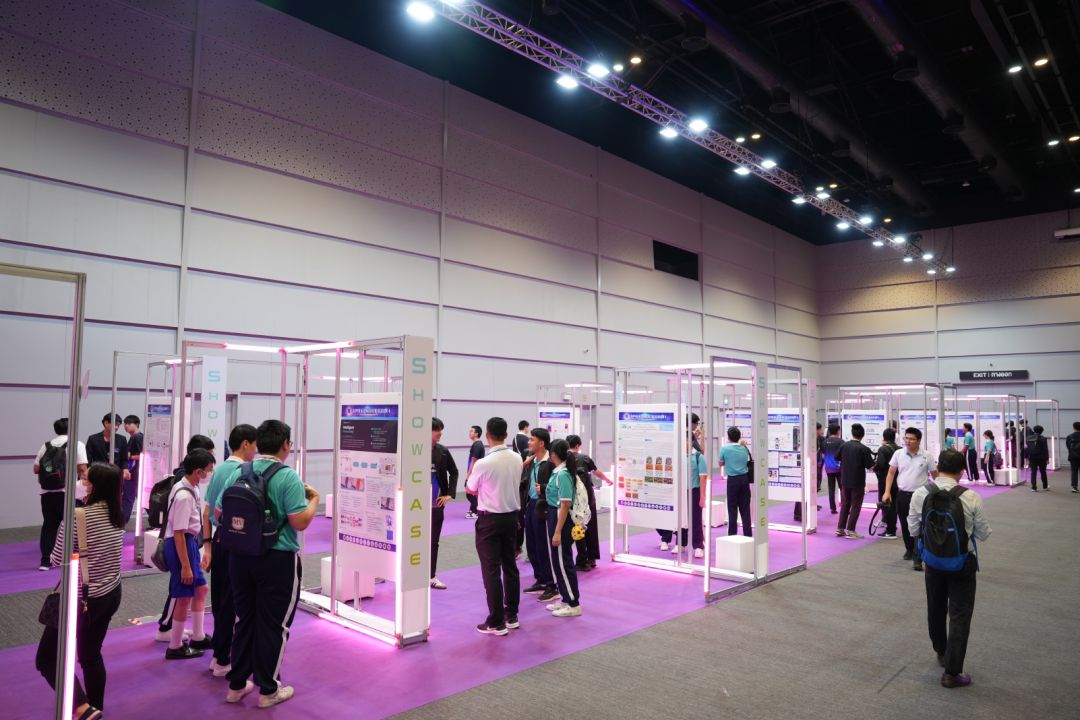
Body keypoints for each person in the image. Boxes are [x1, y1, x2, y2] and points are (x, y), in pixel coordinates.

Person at [216, 419, 319, 708]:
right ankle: (268, 689)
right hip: (277, 559)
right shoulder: (288, 477)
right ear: (286, 444)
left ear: (258, 443)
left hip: (239, 557)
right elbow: (299, 522)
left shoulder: (239, 471)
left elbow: (219, 513)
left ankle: (236, 686)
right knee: (274, 625)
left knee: (245, 619)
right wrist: (314, 500)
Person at [35, 462, 125, 720]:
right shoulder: (117, 513)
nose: (83, 482)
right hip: (111, 591)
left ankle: (83, 707)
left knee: (46, 659)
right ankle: (95, 707)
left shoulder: (78, 516)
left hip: (82, 599)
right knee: (90, 654)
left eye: (86, 479)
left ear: (94, 486)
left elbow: (56, 559)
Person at [908, 449, 991, 688]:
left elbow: (913, 529)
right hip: (961, 562)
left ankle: (941, 650)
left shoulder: (921, 493)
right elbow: (983, 533)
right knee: (959, 613)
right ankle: (952, 673)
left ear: (938, 468)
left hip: (932, 561)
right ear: (962, 471)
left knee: (935, 606)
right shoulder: (970, 497)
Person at [201, 423, 258, 677]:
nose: (256, 451)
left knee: (220, 599)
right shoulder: (241, 471)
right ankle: (224, 658)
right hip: (236, 540)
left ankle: (219, 655)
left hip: (219, 539)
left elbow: (207, 512)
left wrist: (208, 547)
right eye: (254, 445)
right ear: (245, 444)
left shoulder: (221, 469)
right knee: (232, 602)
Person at [155, 434, 215, 642]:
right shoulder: (183, 494)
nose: (209, 474)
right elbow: (178, 532)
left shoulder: (191, 487)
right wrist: (186, 566)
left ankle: (197, 636)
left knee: (200, 589)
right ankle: (175, 643)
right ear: (198, 470)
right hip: (181, 543)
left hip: (188, 542)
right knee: (182, 595)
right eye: (208, 470)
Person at [467, 417, 524, 636]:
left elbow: (471, 488)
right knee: (510, 567)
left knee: (491, 570)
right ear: (506, 435)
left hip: (489, 520)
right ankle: (512, 615)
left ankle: (496, 621)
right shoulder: (517, 458)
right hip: (511, 518)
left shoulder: (484, 463)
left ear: (487, 435)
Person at [33, 418, 88, 571]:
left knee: (49, 526)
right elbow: (83, 469)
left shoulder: (46, 445)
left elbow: (36, 469)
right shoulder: (77, 444)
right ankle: (70, 558)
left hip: (47, 492)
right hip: (67, 493)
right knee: (72, 526)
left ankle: (45, 561)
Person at [882, 427, 937, 571]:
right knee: (905, 523)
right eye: (906, 438)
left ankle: (918, 552)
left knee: (920, 525)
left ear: (918, 441)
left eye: (911, 439)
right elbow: (891, 473)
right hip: (902, 495)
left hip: (921, 496)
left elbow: (935, 475)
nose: (908, 441)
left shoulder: (927, 456)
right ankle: (909, 548)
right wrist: (887, 492)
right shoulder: (898, 453)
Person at [544, 439, 582, 617]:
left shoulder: (563, 475)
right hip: (555, 516)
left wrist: (558, 531)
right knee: (557, 562)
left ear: (553, 454)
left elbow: (565, 505)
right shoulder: (558, 472)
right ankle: (566, 598)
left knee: (563, 562)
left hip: (561, 519)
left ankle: (574, 603)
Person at [520, 428, 556, 602]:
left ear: (541, 443)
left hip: (545, 506)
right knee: (532, 545)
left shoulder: (551, 462)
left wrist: (544, 488)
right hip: (531, 505)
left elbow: (559, 485)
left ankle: (552, 585)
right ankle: (541, 579)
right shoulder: (532, 461)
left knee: (543, 547)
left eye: (532, 440)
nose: (529, 442)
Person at [567, 435, 605, 570]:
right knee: (590, 527)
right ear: (577, 445)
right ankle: (591, 557)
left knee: (574, 527)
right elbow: (596, 471)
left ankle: (580, 559)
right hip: (587, 497)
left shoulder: (564, 459)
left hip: (571, 498)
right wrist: (608, 480)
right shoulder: (585, 458)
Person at [430, 418, 458, 590]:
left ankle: (431, 576)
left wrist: (449, 494)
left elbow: (454, 472)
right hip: (413, 506)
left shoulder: (443, 451)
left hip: (436, 504)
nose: (440, 433)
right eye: (436, 429)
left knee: (433, 542)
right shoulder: (412, 450)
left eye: (441, 429)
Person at [836, 423, 874, 539]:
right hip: (858, 481)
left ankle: (840, 528)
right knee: (856, 505)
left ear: (852, 433)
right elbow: (870, 466)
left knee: (845, 504)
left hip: (845, 479)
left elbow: (837, 457)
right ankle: (851, 530)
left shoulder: (844, 445)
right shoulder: (864, 449)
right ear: (863, 435)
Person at [718, 426, 752, 537]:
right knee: (745, 509)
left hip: (732, 480)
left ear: (728, 437)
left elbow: (720, 463)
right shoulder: (744, 448)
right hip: (744, 480)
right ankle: (748, 535)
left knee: (732, 509)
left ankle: (732, 535)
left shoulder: (724, 449)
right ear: (739, 436)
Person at [86, 414, 129, 491]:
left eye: (118, 425)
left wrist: (125, 469)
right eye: (115, 424)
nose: (116, 427)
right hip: (98, 475)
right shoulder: (93, 439)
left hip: (115, 476)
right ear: (106, 423)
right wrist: (89, 472)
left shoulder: (122, 439)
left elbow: (124, 459)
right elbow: (88, 459)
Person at [873, 428, 899, 539]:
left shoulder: (883, 449)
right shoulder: (900, 449)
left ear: (884, 437)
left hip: (885, 480)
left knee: (887, 505)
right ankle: (890, 526)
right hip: (898, 480)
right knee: (895, 505)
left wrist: (874, 467)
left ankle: (890, 530)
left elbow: (881, 464)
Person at [122, 415, 143, 526]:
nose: (126, 426)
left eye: (129, 423)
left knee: (128, 498)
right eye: (125, 423)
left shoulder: (137, 437)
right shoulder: (133, 437)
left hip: (134, 472)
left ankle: (121, 524)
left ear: (137, 424)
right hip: (134, 472)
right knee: (135, 497)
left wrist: (129, 456)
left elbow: (143, 455)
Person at [464, 425, 485, 519]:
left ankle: (476, 511)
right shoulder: (476, 444)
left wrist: (468, 475)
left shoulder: (477, 445)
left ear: (476, 433)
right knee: (471, 493)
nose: (470, 433)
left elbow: (473, 461)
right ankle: (473, 509)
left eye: (471, 431)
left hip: (475, 473)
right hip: (474, 472)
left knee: (469, 493)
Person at [822, 424, 843, 514]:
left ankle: (832, 508)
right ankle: (844, 507)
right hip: (839, 468)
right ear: (838, 431)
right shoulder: (841, 442)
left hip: (829, 468)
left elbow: (823, 454)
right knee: (842, 488)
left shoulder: (825, 442)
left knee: (831, 489)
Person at [1028, 424, 1050, 491]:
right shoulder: (1043, 439)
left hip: (1032, 457)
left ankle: (1033, 487)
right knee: (1043, 472)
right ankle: (1045, 486)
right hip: (1042, 457)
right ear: (1042, 431)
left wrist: (1026, 457)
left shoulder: (1029, 438)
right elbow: (1045, 449)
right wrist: (1047, 458)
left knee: (1033, 472)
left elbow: (1027, 448)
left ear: (1034, 430)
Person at [1066, 421, 1080, 493]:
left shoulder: (1069, 436)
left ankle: (1074, 487)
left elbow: (1068, 447)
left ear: (1073, 427)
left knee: (1074, 471)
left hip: (1073, 456)